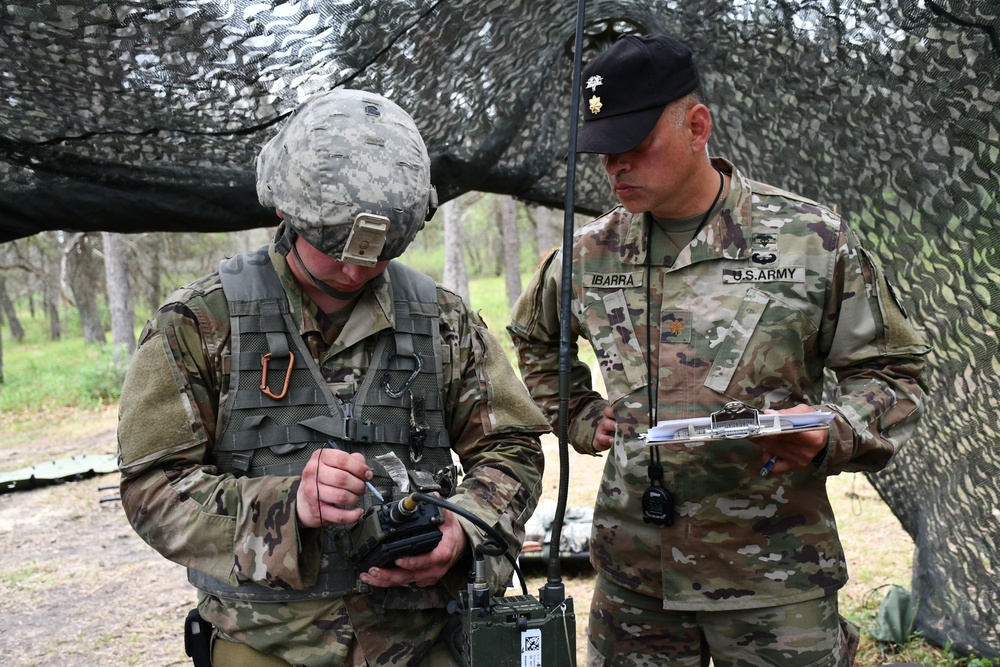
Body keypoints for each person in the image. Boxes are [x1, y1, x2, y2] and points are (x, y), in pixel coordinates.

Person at [508, 33, 929, 667]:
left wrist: (833, 431)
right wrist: (577, 413)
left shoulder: (808, 241)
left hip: (775, 574)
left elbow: (893, 371)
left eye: (634, 146)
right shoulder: (586, 257)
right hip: (636, 578)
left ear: (697, 126)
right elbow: (535, 338)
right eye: (602, 152)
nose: (615, 166)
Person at [117, 88, 549, 667]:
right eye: (333, 246)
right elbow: (151, 488)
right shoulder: (200, 324)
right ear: (285, 211)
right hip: (268, 645)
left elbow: (512, 448)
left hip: (425, 644)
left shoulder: (444, 323)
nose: (353, 268)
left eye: (377, 252)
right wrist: (287, 507)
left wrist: (462, 531)